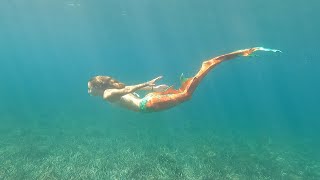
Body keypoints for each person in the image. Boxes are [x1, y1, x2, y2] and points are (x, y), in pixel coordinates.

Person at [88, 47, 281, 112]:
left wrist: (147, 86)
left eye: (90, 89)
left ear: (98, 86)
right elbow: (128, 90)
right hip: (149, 102)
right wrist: (151, 90)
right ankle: (225, 59)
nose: (89, 92)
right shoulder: (109, 92)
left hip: (148, 106)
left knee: (187, 94)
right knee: (184, 93)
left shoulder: (106, 94)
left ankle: (211, 63)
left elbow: (127, 91)